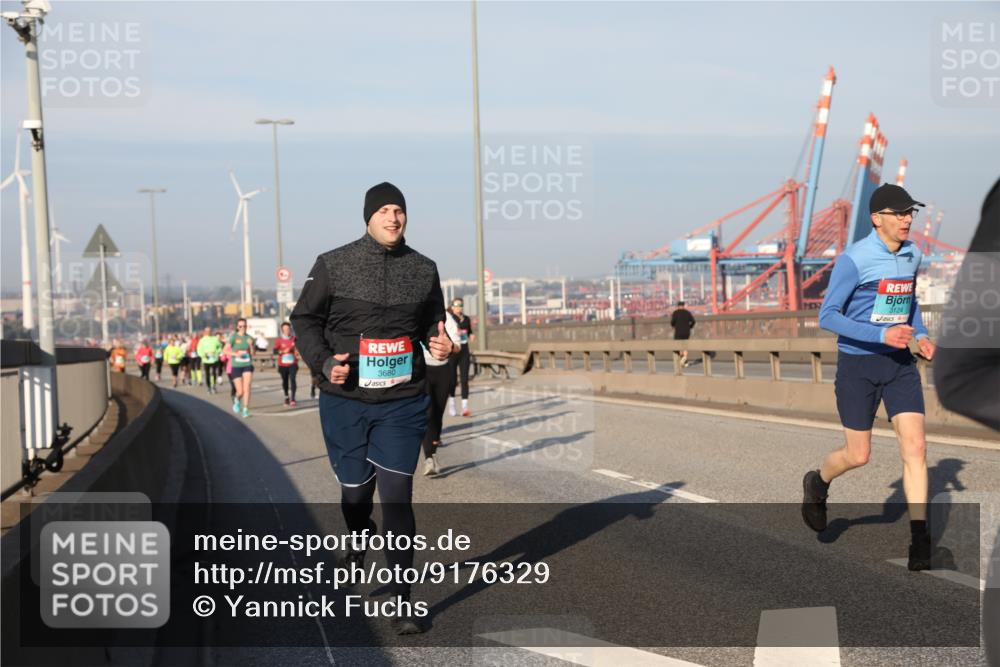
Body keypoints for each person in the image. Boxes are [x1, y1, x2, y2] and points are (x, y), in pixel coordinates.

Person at [291, 181, 451, 635]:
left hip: (402, 401)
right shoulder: (334, 264)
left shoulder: (423, 268)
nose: (393, 218)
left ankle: (402, 600)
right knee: (355, 495)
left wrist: (439, 341)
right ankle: (359, 534)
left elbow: (432, 322)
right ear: (368, 217)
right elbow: (303, 320)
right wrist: (325, 362)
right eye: (383, 211)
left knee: (397, 495)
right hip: (345, 400)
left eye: (399, 210)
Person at [801, 183, 936, 571]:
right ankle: (818, 482)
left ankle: (920, 540)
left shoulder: (912, 254)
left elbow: (909, 302)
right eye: (899, 213)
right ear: (877, 219)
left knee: (916, 448)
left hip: (899, 365)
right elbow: (828, 316)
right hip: (858, 366)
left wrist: (921, 334)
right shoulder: (854, 260)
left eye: (910, 213)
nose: (907, 219)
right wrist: (880, 335)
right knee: (858, 455)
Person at [422, 305, 461, 475]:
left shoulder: (447, 318)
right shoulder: (417, 312)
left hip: (443, 370)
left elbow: (458, 346)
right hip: (422, 369)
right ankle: (429, 458)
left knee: (438, 413)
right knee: (428, 412)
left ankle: (434, 444)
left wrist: (450, 347)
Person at [447, 298, 474, 417]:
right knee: (452, 379)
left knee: (464, 379)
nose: (459, 307)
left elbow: (469, 331)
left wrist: (471, 335)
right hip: (453, 350)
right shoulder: (449, 318)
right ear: (452, 307)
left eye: (461, 305)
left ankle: (465, 407)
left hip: (464, 350)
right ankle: (452, 404)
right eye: (456, 305)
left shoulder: (466, 319)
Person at [228, 318, 255, 417]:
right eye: (240, 326)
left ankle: (245, 409)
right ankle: (237, 399)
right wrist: (235, 354)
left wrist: (251, 345)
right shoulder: (233, 337)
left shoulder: (249, 338)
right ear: (237, 327)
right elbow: (225, 350)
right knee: (240, 391)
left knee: (247, 387)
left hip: (247, 365)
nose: (242, 328)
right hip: (236, 366)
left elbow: (253, 354)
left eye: (244, 326)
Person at [273, 322, 300, 406]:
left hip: (293, 363)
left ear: (290, 329)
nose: (287, 331)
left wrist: (297, 352)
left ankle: (293, 398)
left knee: (293, 379)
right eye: (285, 329)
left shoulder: (294, 339)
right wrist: (282, 351)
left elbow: (299, 348)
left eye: (288, 329)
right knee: (285, 380)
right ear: (282, 330)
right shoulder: (279, 340)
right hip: (283, 364)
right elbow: (275, 351)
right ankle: (286, 396)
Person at [197, 327, 223, 395]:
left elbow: (219, 347)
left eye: (209, 331)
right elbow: (199, 349)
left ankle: (213, 386)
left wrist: (216, 353)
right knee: (207, 374)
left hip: (214, 359)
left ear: (211, 331)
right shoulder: (202, 340)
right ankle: (208, 387)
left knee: (214, 373)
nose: (208, 332)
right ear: (205, 332)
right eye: (207, 331)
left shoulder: (215, 339)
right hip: (206, 360)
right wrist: (203, 355)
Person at [670, 301, 696, 367]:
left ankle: (682, 359)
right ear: (683, 306)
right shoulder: (687, 313)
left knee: (678, 346)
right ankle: (685, 360)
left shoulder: (675, 313)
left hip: (678, 332)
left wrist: (674, 326)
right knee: (685, 346)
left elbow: (672, 322)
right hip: (686, 332)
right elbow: (693, 321)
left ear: (678, 306)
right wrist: (690, 327)